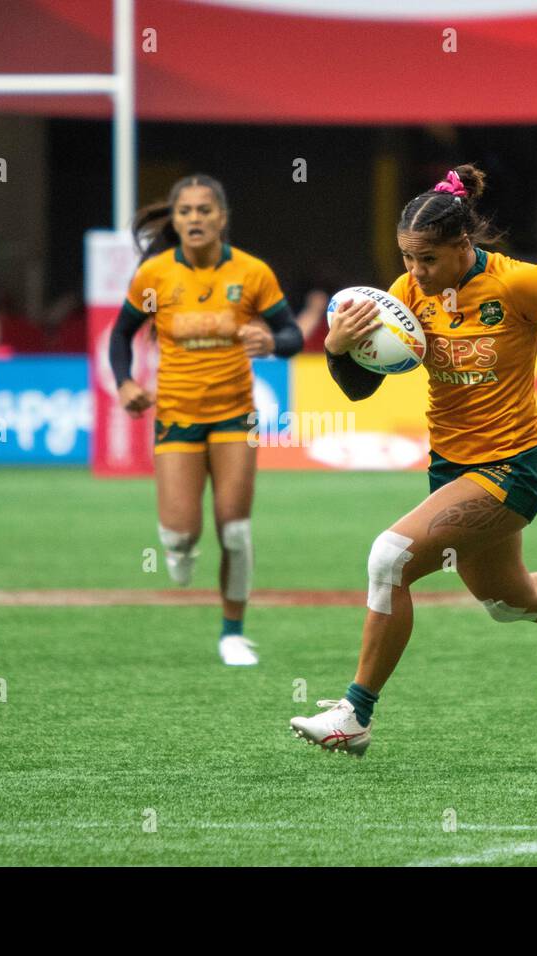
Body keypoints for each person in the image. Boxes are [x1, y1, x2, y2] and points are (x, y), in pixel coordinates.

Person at [290, 165, 537, 756]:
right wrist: (337, 348)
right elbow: (359, 390)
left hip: (512, 467)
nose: (415, 273)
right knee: (509, 601)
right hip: (451, 468)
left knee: (389, 558)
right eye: (407, 259)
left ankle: (355, 713)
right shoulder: (406, 294)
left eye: (426, 259)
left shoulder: (519, 284)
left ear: (462, 244)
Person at [109, 174, 303, 666]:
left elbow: (291, 335)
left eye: (204, 210)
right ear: (174, 221)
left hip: (234, 415)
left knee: (235, 530)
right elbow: (120, 336)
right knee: (180, 534)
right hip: (176, 415)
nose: (194, 219)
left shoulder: (252, 272)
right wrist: (125, 383)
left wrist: (273, 344)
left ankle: (233, 632)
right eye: (185, 212)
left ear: (222, 217)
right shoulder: (155, 275)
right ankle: (178, 548)